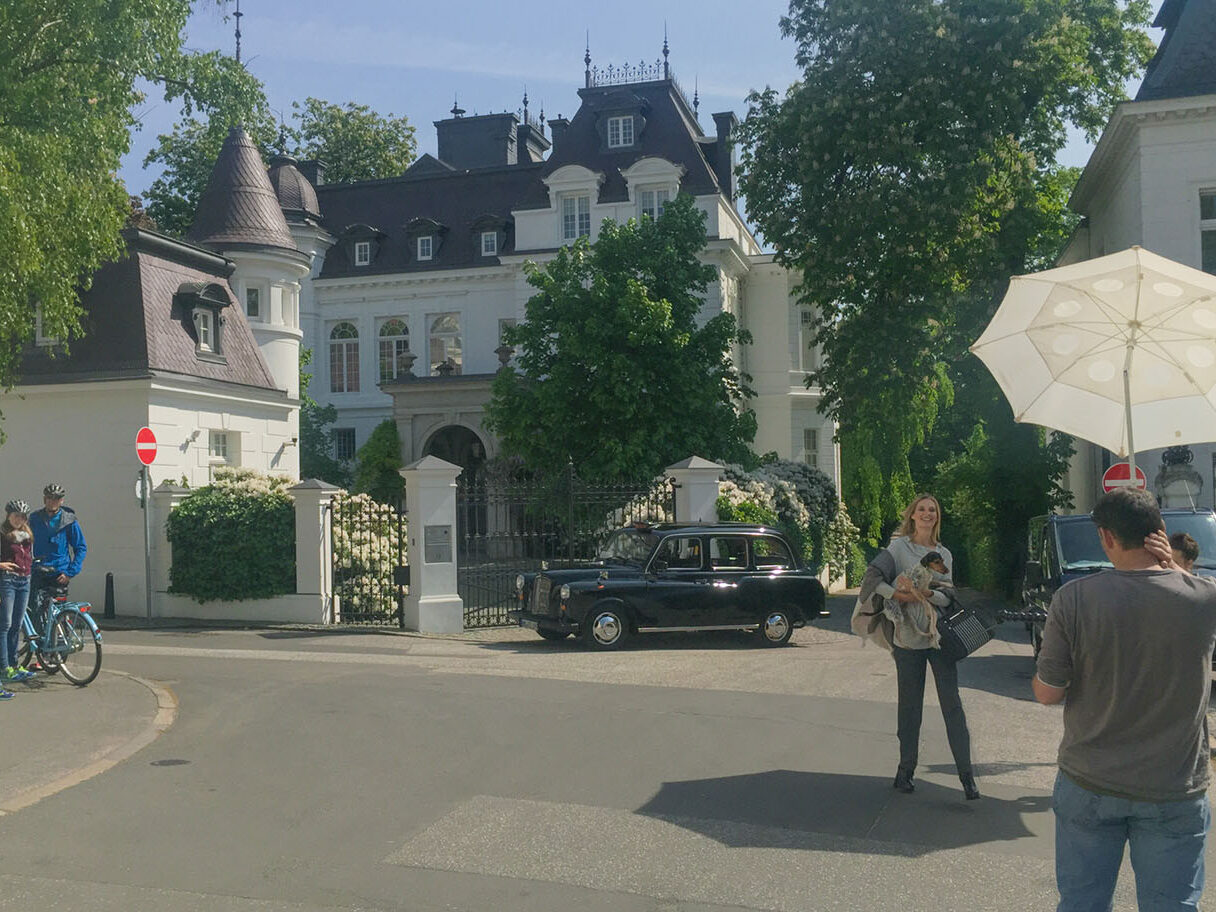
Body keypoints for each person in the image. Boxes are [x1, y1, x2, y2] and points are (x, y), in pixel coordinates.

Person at [1035, 487, 1216, 912]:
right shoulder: (1204, 597)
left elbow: (1048, 693)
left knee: (1083, 902)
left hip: (1090, 779)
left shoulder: (1073, 598)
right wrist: (1174, 568)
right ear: (1160, 533)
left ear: (1106, 538)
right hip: (1174, 786)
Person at [852, 493, 979, 800]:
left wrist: (926, 594)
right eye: (921, 509)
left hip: (938, 638)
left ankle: (967, 777)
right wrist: (897, 595)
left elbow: (949, 596)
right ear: (911, 515)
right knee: (910, 707)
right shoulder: (898, 548)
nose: (927, 514)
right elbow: (871, 578)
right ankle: (905, 771)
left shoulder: (944, 554)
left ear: (937, 516)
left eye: (932, 509)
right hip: (907, 636)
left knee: (952, 705)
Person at [29, 483, 86, 624]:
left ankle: (61, 640)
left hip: (59, 573)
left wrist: (69, 572)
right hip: (38, 571)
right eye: (49, 498)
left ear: (62, 501)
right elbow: (24, 542)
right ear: (44, 499)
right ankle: (38, 643)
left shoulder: (69, 521)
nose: (52, 501)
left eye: (56, 498)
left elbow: (80, 547)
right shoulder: (35, 519)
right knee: (35, 611)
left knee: (58, 613)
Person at [0, 500, 34, 689]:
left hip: (24, 580)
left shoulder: (27, 535)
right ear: (8, 515)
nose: (18, 519)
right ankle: (4, 667)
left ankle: (14, 664)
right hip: (7, 580)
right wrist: (1, 565)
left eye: (21, 516)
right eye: (15, 516)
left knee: (16, 625)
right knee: (4, 625)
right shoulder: (2, 534)